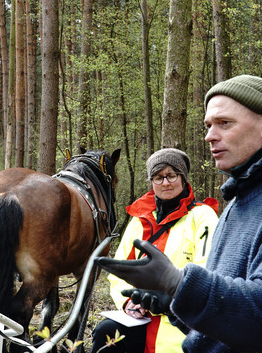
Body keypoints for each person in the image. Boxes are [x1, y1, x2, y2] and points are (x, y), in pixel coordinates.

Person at [96, 74, 262, 353]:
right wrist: (164, 302)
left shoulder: (203, 215)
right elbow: (221, 323)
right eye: (208, 125)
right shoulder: (236, 204)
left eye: (224, 123)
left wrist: (176, 286)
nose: (210, 135)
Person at [90, 148, 218, 353]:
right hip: (140, 319)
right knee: (107, 333)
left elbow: (208, 268)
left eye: (171, 175)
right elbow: (119, 271)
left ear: (183, 178)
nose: (165, 183)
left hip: (181, 321)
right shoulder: (139, 219)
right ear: (151, 182)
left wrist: (171, 296)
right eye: (158, 177)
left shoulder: (202, 217)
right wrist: (128, 302)